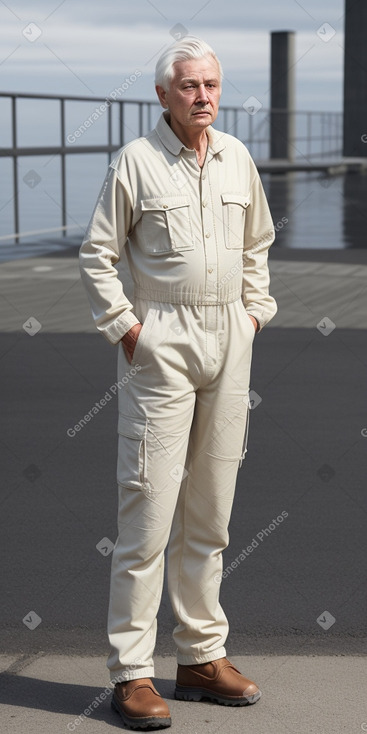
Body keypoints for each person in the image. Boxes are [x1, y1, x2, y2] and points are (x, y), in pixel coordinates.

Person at [79, 36, 277, 731]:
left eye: (211, 85)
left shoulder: (234, 158)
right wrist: (130, 332)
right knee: (148, 513)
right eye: (188, 85)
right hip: (161, 342)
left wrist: (252, 315)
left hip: (230, 340)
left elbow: (257, 244)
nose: (203, 97)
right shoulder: (136, 161)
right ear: (162, 94)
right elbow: (98, 254)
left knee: (211, 514)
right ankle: (131, 672)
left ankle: (199, 657)